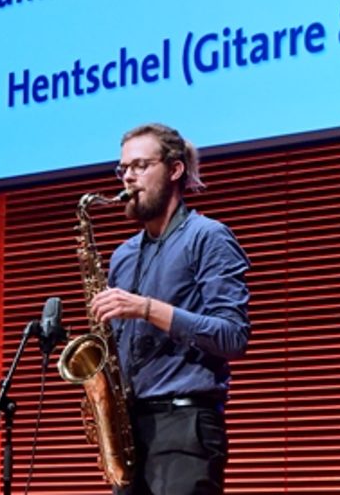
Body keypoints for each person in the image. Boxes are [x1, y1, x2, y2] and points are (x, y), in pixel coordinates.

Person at [90, 124, 250, 495]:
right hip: (130, 431)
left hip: (186, 426)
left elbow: (233, 335)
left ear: (175, 170)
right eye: (123, 168)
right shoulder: (123, 255)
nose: (128, 177)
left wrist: (147, 309)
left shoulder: (208, 237)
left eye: (141, 165)